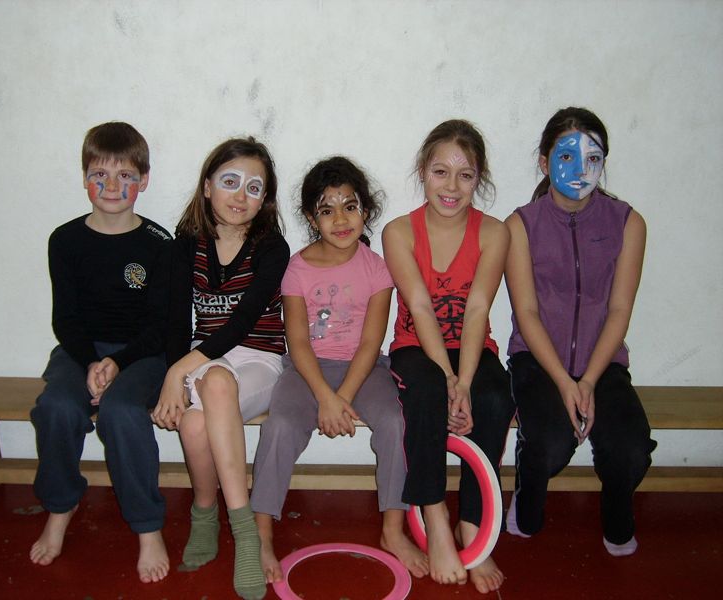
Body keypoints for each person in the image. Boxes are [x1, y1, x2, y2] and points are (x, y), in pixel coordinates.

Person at [249, 156, 430, 584]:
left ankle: (393, 529)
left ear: (365, 210)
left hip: (363, 371)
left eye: (350, 206)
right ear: (312, 218)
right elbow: (298, 342)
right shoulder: (297, 268)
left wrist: (342, 397)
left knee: (395, 421)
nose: (341, 219)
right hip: (306, 371)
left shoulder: (377, 269)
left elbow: (370, 343)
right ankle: (261, 534)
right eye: (326, 210)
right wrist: (324, 397)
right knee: (279, 427)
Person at [504, 107, 656, 557]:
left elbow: (619, 309)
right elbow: (526, 312)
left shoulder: (628, 222)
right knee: (551, 445)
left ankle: (618, 521)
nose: (580, 169)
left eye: (593, 158)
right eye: (566, 156)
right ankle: (525, 509)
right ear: (544, 160)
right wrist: (563, 381)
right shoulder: (520, 225)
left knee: (630, 449)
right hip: (537, 361)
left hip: (602, 362)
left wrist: (587, 381)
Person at [29, 122, 172, 583]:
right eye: (100, 175)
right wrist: (91, 360)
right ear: (84, 178)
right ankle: (60, 506)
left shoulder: (159, 244)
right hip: (80, 351)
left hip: (141, 355)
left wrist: (118, 363)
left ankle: (147, 526)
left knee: (122, 411)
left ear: (143, 181)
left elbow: (161, 326)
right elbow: (65, 318)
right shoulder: (65, 240)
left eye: (125, 175)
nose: (112, 186)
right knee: (55, 406)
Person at [151, 137, 289, 600]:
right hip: (204, 357)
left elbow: (242, 323)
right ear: (208, 186)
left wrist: (177, 374)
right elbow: (176, 322)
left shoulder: (272, 247)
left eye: (254, 187)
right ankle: (204, 514)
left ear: (264, 199)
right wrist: (174, 372)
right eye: (230, 181)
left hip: (259, 360)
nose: (240, 195)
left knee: (215, 383)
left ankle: (244, 532)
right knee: (192, 425)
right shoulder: (185, 245)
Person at [383, 120, 514, 594]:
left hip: (473, 348)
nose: (452, 186)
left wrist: (467, 381)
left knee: (495, 398)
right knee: (427, 392)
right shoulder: (399, 232)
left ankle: (472, 526)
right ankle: (435, 516)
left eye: (466, 174)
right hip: (415, 346)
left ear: (479, 178)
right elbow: (419, 308)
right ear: (423, 171)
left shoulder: (495, 233)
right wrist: (448, 380)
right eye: (441, 172)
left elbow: (478, 309)